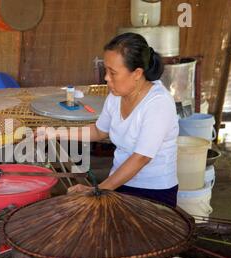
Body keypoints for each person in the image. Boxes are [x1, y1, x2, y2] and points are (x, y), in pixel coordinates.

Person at [46, 33, 180, 208]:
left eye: (112, 72)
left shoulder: (158, 103)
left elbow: (141, 158)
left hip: (153, 192)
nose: (106, 78)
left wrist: (97, 190)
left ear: (137, 73)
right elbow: (99, 131)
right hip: (117, 183)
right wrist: (55, 132)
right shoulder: (116, 96)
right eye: (106, 70)